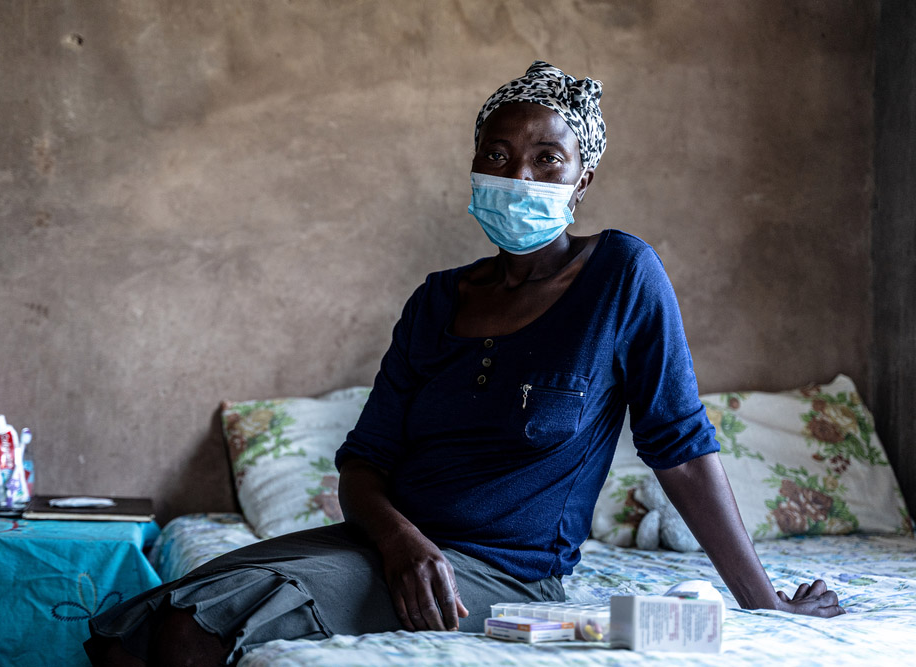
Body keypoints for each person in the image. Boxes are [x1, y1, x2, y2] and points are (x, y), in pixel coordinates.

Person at [85, 61, 843, 667]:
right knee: (143, 628)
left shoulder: (621, 274)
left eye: (548, 159)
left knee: (195, 638)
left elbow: (680, 449)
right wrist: (400, 541)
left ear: (583, 179)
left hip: (502, 569)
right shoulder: (437, 300)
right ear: (474, 166)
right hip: (384, 542)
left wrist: (763, 602)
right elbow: (364, 464)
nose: (520, 176)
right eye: (499, 155)